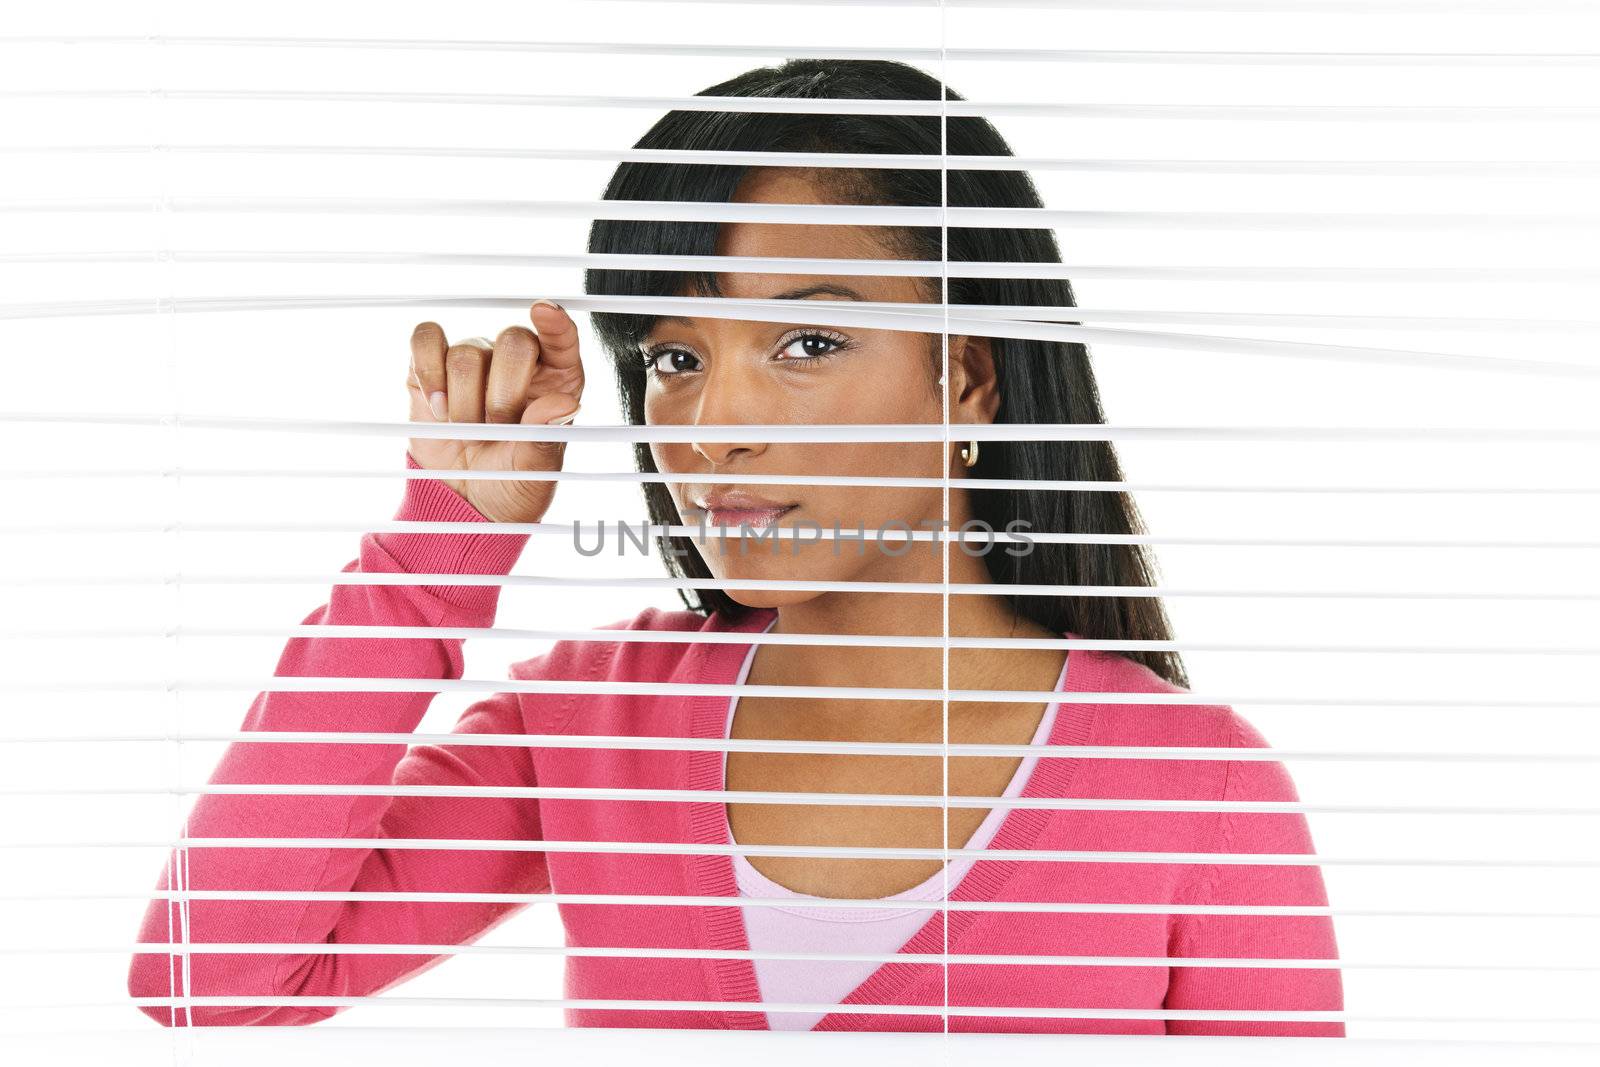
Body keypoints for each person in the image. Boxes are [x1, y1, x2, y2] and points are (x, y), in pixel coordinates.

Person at [127, 58, 1344, 1036]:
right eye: (673, 357)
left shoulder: (1197, 786)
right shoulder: (589, 721)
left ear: (967, 377)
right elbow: (211, 972)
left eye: (806, 345)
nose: (711, 433)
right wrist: (437, 551)